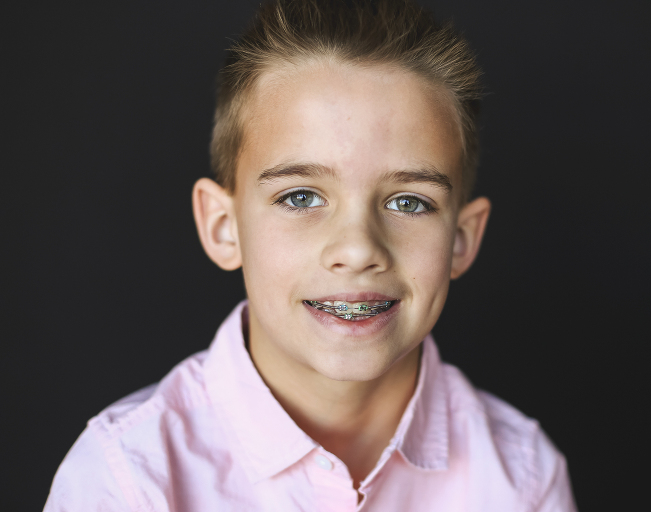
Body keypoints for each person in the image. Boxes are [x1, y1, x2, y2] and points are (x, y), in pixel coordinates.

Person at [43, 0, 577, 510]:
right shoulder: (127, 481)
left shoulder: (521, 477)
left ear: (461, 240)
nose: (357, 249)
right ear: (224, 227)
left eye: (409, 201)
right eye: (300, 197)